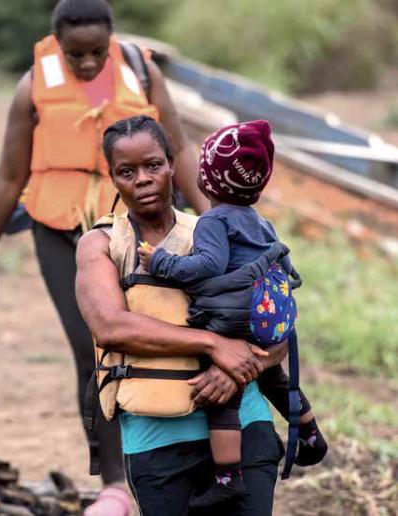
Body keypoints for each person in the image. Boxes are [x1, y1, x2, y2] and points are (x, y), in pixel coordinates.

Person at [0, 1, 207, 513]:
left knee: (165, 340)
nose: (88, 63)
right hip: (62, 233)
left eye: (98, 51)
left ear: (112, 39)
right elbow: (10, 176)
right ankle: (116, 484)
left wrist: (213, 223)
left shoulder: (142, 72)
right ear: (56, 45)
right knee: (94, 350)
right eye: (76, 55)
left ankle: (178, 465)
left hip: (140, 229)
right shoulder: (32, 86)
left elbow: (182, 151)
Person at [76, 115, 289, 515]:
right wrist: (214, 344)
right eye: (127, 171)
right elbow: (111, 328)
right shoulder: (100, 244)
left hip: (243, 429)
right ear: (113, 178)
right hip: (157, 439)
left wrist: (233, 370)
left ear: (173, 163)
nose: (142, 179)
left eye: (153, 165)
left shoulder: (221, 228)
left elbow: (279, 326)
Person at [137, 120, 328, 508]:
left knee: (224, 394)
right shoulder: (261, 221)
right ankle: (309, 433)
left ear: (206, 181)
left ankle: (227, 477)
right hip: (265, 314)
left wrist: (162, 262)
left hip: (232, 314)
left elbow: (208, 265)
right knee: (271, 373)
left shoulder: (213, 221)